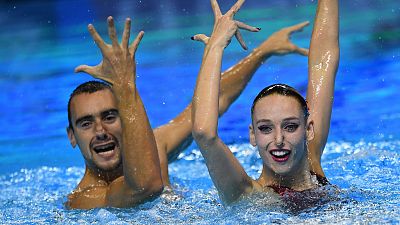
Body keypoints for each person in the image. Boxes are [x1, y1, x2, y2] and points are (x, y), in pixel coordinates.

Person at [66, 2, 312, 208]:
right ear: (72, 136)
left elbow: (214, 102)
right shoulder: (85, 200)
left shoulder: (157, 146)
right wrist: (124, 86)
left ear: (125, 122)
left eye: (109, 117)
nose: (100, 131)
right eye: (86, 123)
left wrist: (262, 52)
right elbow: (144, 186)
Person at [192, 0, 339, 204]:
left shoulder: (311, 161)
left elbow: (323, 61)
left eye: (290, 126)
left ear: (309, 129)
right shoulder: (247, 194)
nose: (279, 139)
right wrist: (215, 47)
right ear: (252, 135)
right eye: (265, 128)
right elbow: (204, 134)